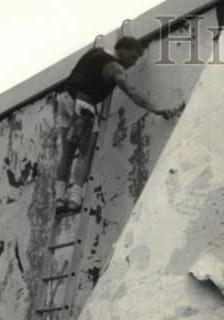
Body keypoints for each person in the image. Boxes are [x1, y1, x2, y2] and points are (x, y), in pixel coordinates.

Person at [54, 35, 184, 216]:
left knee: (67, 154)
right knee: (84, 154)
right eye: (133, 58)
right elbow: (132, 92)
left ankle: (59, 198)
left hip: (64, 99)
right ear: (124, 49)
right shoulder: (114, 66)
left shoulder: (95, 52)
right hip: (82, 106)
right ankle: (75, 199)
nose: (132, 64)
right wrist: (156, 109)